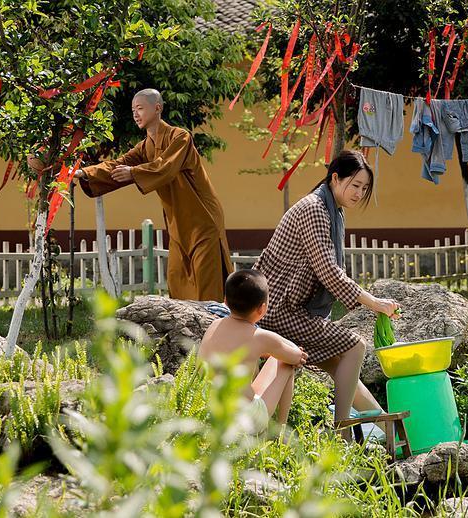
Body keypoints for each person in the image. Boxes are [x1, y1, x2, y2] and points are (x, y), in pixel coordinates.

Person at [252, 150, 400, 440]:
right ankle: (342, 435)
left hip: (293, 306)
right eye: (355, 185)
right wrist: (376, 304)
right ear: (335, 178)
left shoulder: (333, 210)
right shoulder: (315, 209)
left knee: (346, 370)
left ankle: (391, 434)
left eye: (365, 188)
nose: (359, 193)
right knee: (355, 347)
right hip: (280, 307)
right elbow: (329, 271)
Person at [74, 88, 233, 301]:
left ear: (157, 108)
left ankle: (214, 332)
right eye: (133, 110)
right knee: (177, 280)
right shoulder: (145, 146)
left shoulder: (180, 137)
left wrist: (134, 173)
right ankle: (184, 333)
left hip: (202, 220)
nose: (135, 114)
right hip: (179, 223)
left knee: (207, 284)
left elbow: (165, 167)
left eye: (140, 108)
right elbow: (119, 164)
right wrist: (83, 173)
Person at [199, 269, 308, 432]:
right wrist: (293, 350)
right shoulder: (260, 337)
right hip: (245, 419)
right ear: (262, 308)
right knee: (284, 363)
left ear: (226, 301)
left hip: (209, 408)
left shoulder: (214, 325)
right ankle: (281, 433)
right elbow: (296, 357)